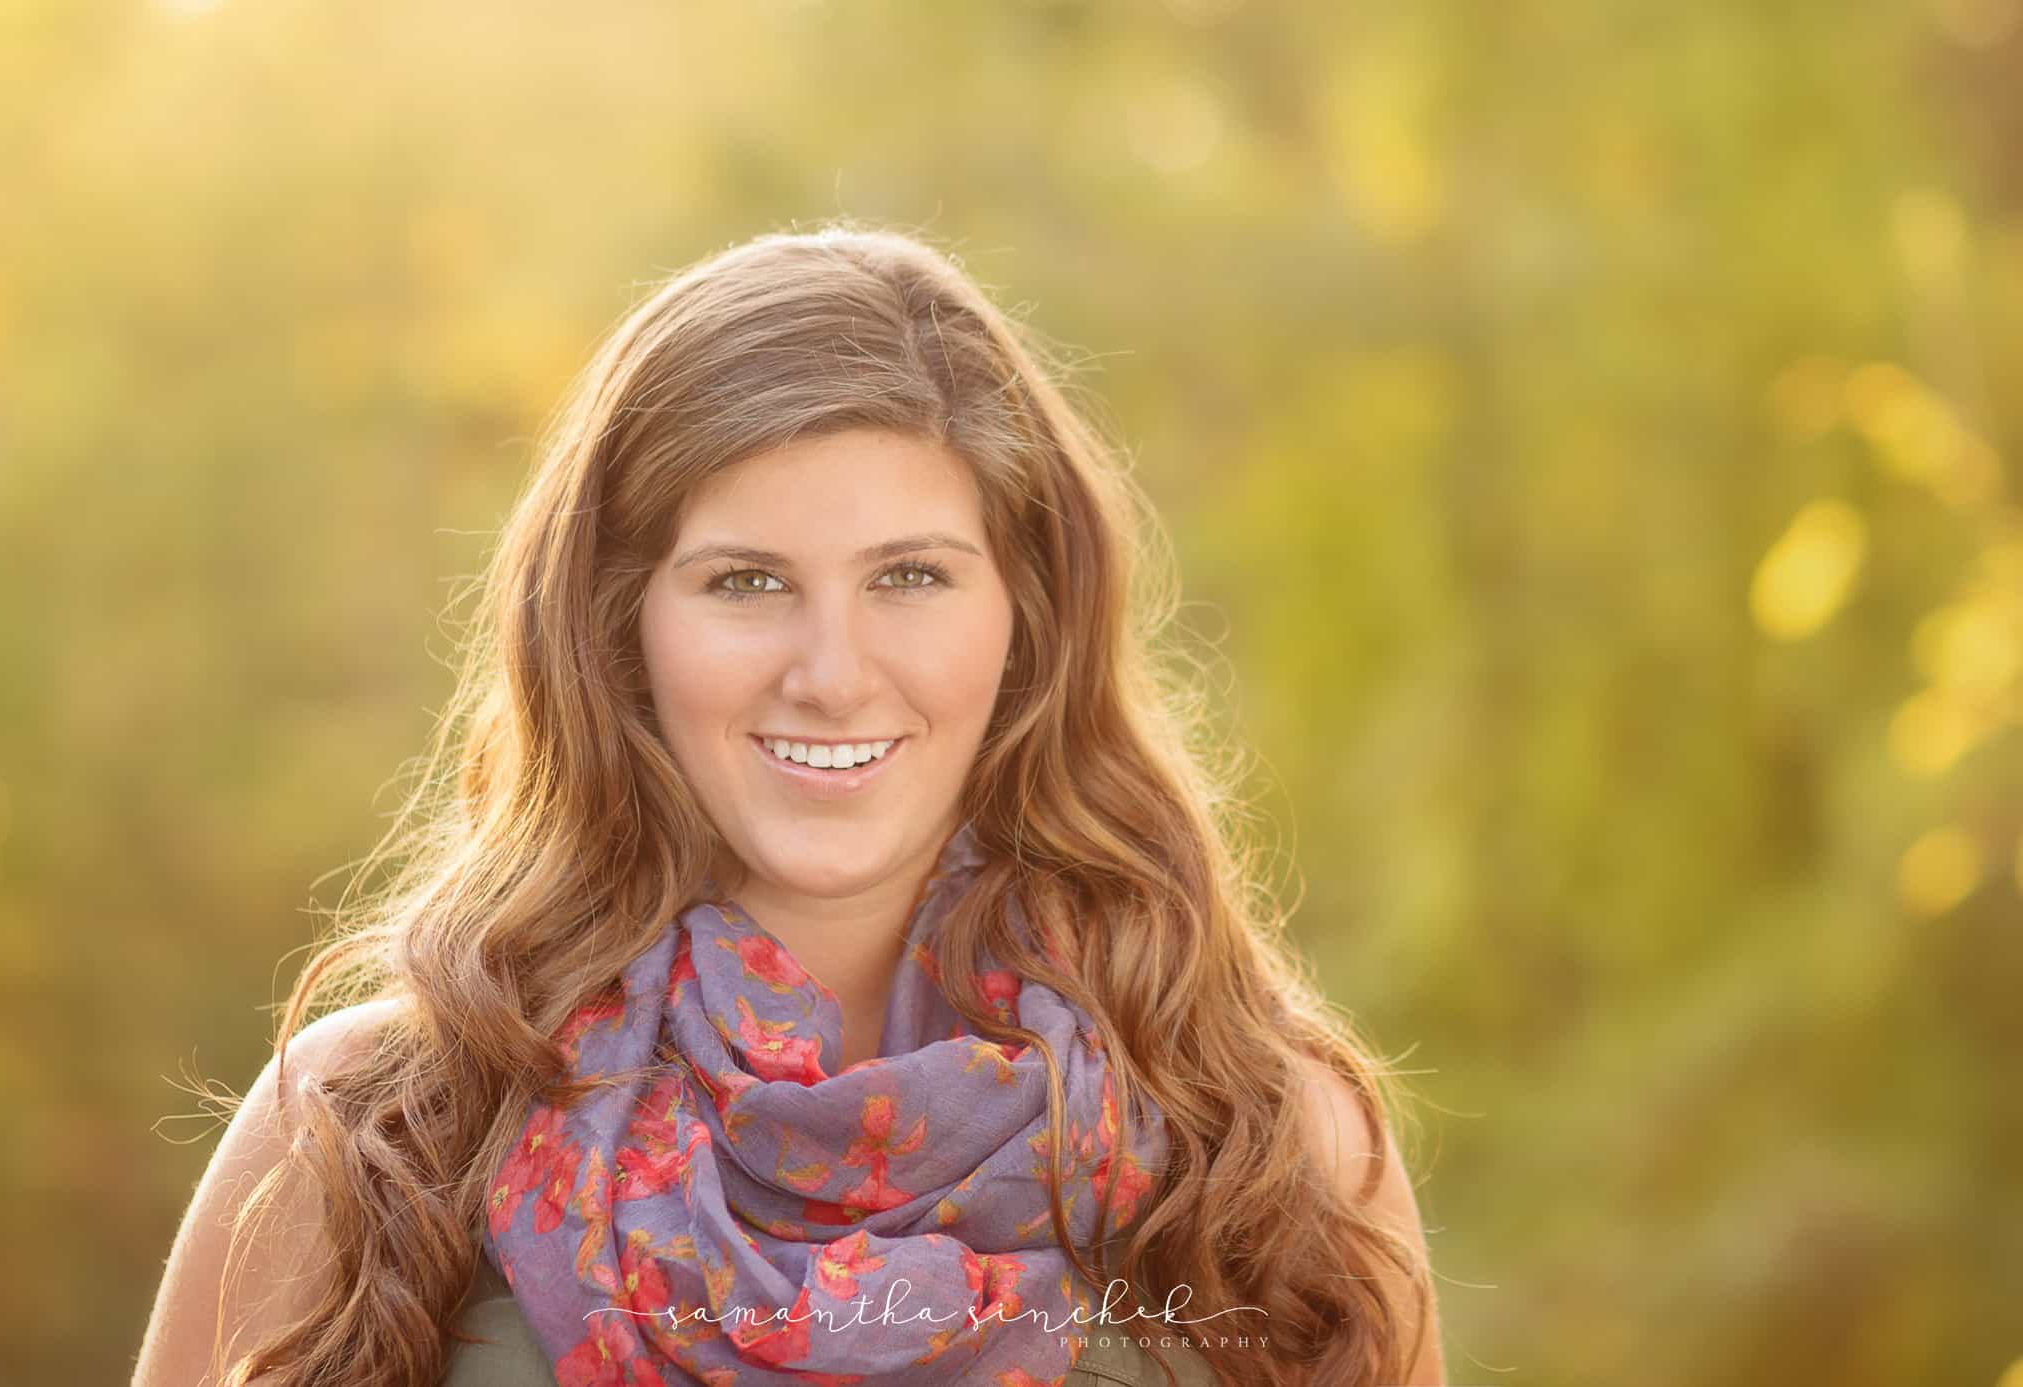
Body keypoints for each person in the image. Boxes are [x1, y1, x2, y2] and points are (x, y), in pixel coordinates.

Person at [130, 224, 1446, 1387]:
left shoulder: (1267, 1145)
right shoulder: (382, 1129)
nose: (830, 674)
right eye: (747, 582)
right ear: (617, 625)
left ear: (1026, 613)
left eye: (911, 577)